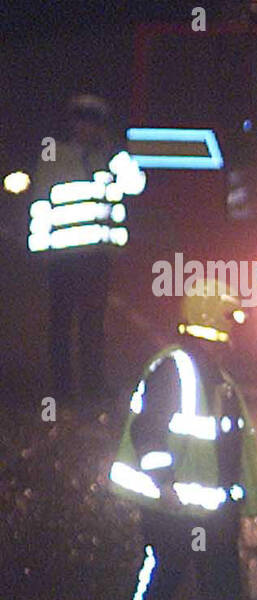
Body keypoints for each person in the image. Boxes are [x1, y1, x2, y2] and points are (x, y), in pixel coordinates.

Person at [107, 290, 257, 600]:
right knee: (165, 577)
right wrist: (164, 486)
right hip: (174, 509)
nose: (234, 328)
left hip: (211, 510)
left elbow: (231, 449)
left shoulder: (216, 376)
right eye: (228, 319)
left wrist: (242, 501)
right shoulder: (175, 370)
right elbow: (150, 432)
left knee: (222, 586)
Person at [28, 95, 145, 401]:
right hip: (63, 256)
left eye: (94, 123)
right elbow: (40, 200)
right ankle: (62, 390)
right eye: (82, 121)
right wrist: (40, 249)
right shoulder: (55, 154)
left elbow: (136, 185)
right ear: (72, 123)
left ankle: (94, 386)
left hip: (96, 256)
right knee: (62, 325)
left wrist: (116, 154)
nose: (87, 128)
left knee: (93, 325)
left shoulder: (109, 157)